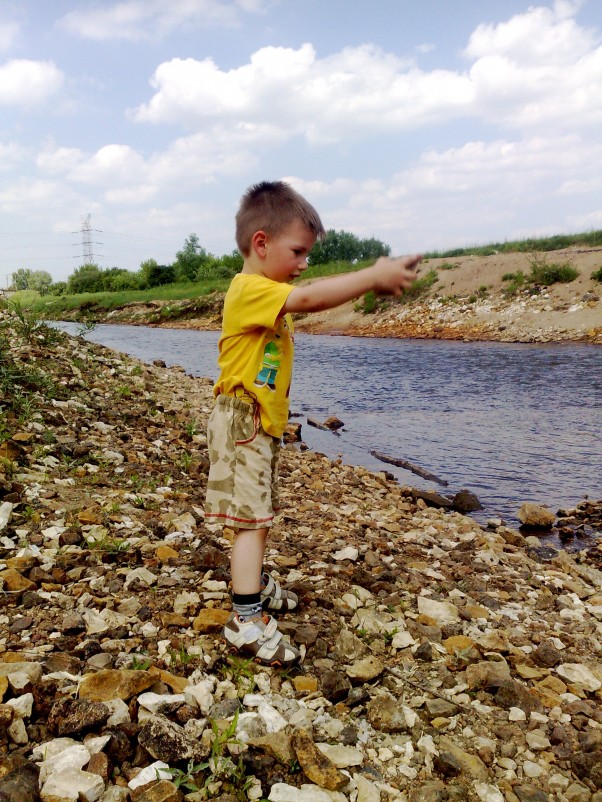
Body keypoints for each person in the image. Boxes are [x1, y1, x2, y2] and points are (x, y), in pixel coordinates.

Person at [205, 180, 421, 665]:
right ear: (261, 243)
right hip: (242, 421)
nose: (304, 263)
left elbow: (306, 295)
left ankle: (254, 583)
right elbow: (310, 299)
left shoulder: (265, 291)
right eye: (298, 251)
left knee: (256, 512)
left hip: (255, 422)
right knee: (250, 520)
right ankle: (245, 618)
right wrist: (371, 275)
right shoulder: (250, 290)